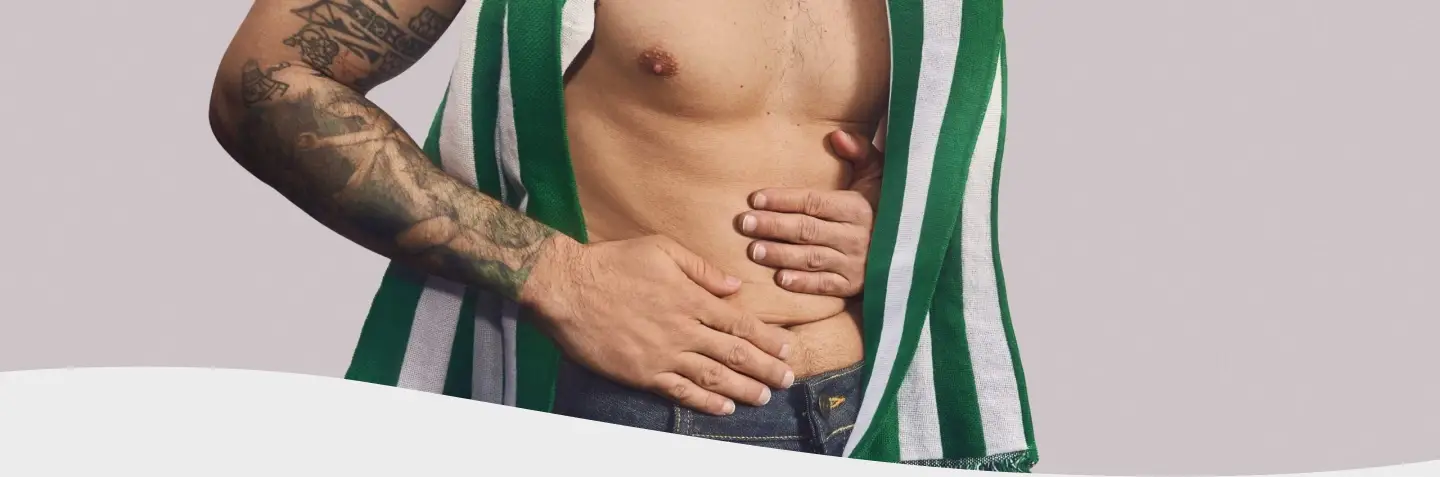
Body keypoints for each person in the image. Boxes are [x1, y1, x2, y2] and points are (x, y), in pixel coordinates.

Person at [209, 0, 1036, 470]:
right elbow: (265, 86)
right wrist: (554, 274)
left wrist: (892, 209)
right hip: (622, 423)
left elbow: (934, 110)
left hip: (879, 421)